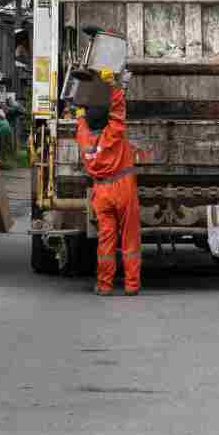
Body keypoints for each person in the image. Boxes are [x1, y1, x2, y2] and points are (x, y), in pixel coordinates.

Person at [74, 69, 140, 296]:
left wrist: (81, 104)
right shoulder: (113, 133)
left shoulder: (83, 136)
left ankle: (104, 284)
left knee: (106, 241)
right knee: (129, 237)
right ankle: (131, 284)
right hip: (122, 187)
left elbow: (81, 118)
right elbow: (119, 111)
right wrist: (113, 85)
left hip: (101, 191)